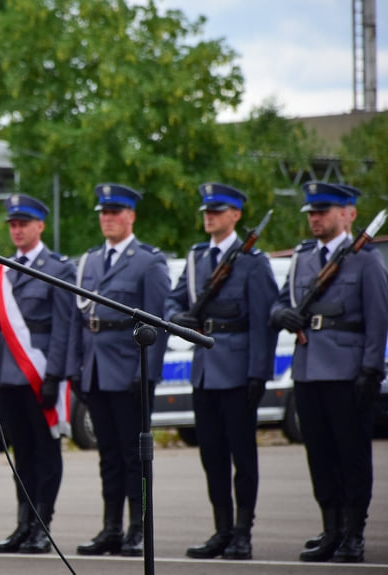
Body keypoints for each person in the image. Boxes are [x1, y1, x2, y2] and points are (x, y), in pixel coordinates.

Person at [270, 182, 388, 563]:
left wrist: (371, 369)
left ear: (348, 213)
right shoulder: (303, 258)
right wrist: (280, 314)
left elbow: (378, 318)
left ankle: (354, 532)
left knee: (351, 455)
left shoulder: (366, 260)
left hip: (347, 371)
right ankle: (331, 528)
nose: (315, 219)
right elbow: (279, 302)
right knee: (319, 455)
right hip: (307, 370)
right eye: (312, 213)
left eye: (323, 212)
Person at [165, 183, 278, 561]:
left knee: (242, 458)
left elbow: (263, 322)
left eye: (217, 210)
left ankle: (243, 534)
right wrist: (173, 316)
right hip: (205, 371)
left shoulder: (253, 262)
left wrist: (258, 374)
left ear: (236, 216)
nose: (208, 216)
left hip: (238, 370)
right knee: (211, 456)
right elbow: (175, 298)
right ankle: (222, 530)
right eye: (206, 211)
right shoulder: (197, 257)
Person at [68, 184, 170, 557]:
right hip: (96, 368)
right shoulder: (91, 261)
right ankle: (111, 528)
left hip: (130, 367)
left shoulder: (148, 261)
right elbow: (81, 318)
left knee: (134, 456)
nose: (107, 219)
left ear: (131, 216)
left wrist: (147, 374)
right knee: (107, 454)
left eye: (115, 213)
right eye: (103, 213)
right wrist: (76, 367)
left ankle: (138, 529)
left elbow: (158, 324)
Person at [0, 194, 75, 554]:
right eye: (13, 224)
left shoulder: (59, 269)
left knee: (45, 453)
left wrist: (55, 375)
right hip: (10, 375)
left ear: (40, 225)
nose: (17, 230)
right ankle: (24, 524)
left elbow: (63, 328)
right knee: (21, 453)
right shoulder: (3, 269)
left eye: (24, 223)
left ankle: (43, 525)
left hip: (41, 375)